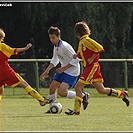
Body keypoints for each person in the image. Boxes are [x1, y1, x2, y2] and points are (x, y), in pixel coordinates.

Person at [65, 21, 130, 115]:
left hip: (92, 67)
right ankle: (122, 94)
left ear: (77, 33)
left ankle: (76, 111)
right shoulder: (82, 42)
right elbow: (83, 54)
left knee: (78, 87)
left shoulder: (86, 40)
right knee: (101, 90)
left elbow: (100, 48)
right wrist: (77, 55)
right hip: (91, 67)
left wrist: (92, 58)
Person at [41, 26, 90, 113]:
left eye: (53, 37)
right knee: (52, 87)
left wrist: (63, 68)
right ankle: (52, 107)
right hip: (63, 70)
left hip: (72, 71)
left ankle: (82, 95)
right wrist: (47, 70)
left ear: (58, 36)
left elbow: (76, 59)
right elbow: (55, 60)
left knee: (61, 92)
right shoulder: (56, 47)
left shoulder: (65, 46)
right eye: (50, 38)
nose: (51, 40)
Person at [0, 28, 52, 106]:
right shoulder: (2, 46)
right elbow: (14, 50)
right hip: (5, 71)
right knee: (23, 83)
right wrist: (25, 48)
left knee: (0, 91)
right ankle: (41, 99)